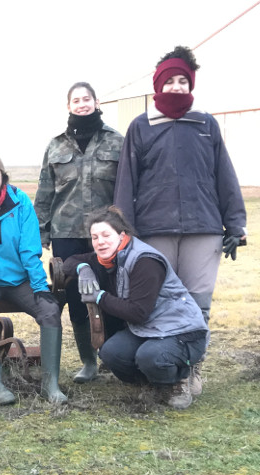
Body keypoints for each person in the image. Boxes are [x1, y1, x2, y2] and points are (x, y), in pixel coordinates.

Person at [113, 46, 247, 396]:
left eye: (182, 81)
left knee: (197, 304)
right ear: (158, 85)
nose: (176, 86)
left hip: (203, 229)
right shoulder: (141, 127)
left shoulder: (205, 124)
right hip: (153, 232)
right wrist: (124, 231)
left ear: (190, 85)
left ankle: (190, 370)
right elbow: (127, 182)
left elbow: (224, 176)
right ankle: (161, 369)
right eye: (169, 80)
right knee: (159, 302)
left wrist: (236, 226)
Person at [62, 206, 208, 409]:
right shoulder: (106, 257)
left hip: (181, 329)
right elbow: (70, 261)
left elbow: (138, 313)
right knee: (111, 353)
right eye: (95, 237)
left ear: (122, 235)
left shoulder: (144, 260)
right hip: (148, 329)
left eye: (106, 235)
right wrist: (83, 268)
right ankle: (153, 384)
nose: (100, 241)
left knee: (150, 357)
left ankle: (179, 378)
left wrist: (100, 297)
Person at [0, 150, 67, 404]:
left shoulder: (20, 203)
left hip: (19, 279)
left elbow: (30, 249)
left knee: (50, 310)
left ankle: (50, 384)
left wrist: (40, 286)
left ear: (2, 174)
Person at [33, 82, 124, 384]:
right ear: (69, 106)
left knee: (112, 293)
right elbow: (45, 192)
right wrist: (41, 233)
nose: (82, 104)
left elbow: (127, 188)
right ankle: (89, 361)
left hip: (107, 234)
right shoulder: (56, 146)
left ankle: (115, 355)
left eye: (87, 99)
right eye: (76, 100)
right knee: (76, 297)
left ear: (97, 102)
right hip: (66, 234)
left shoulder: (116, 142)